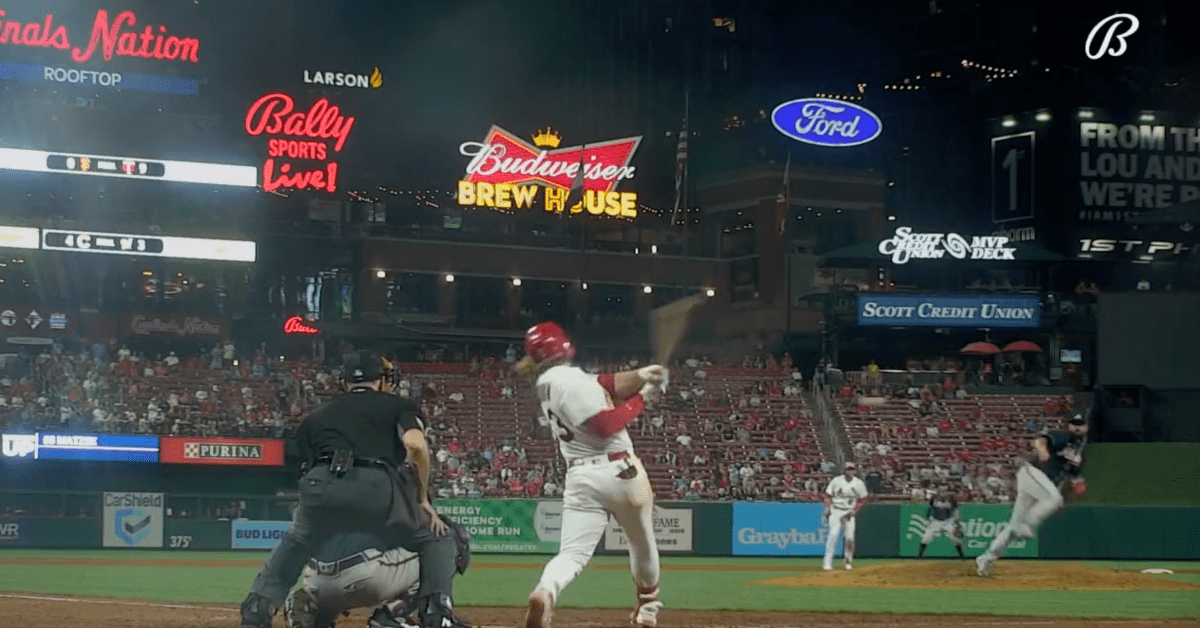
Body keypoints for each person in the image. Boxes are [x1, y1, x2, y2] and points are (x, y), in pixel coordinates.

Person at [239, 351, 470, 628]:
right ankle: (434, 614)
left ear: (344, 382)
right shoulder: (398, 405)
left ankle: (258, 607)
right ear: (383, 380)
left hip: (319, 484)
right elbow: (416, 446)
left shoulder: (315, 418)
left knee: (297, 539)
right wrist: (422, 499)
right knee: (439, 537)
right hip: (375, 485)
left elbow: (306, 465)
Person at [516, 322, 667, 628]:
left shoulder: (548, 382)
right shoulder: (570, 378)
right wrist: (643, 398)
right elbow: (605, 424)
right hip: (621, 470)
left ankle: (545, 592)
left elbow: (602, 384)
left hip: (581, 478)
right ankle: (648, 606)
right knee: (641, 543)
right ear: (564, 347)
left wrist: (640, 376)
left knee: (571, 553)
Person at [284, 525, 472, 628]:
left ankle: (313, 607)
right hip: (362, 573)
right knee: (433, 556)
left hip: (315, 577)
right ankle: (393, 617)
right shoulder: (396, 493)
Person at [976, 413, 1088, 576]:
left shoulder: (1077, 452)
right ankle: (1027, 524)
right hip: (1032, 473)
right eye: (1074, 423)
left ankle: (985, 559)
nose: (1077, 427)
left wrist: (1078, 484)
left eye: (1080, 423)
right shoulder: (1062, 436)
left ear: (1086, 427)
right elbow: (1040, 440)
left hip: (1040, 485)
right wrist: (1042, 450)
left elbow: (1075, 476)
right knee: (1055, 499)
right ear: (1068, 425)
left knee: (1012, 528)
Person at [822, 462, 869, 571]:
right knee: (833, 534)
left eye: (852, 469)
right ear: (845, 470)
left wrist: (853, 511)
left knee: (850, 538)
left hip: (849, 511)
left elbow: (863, 499)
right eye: (848, 469)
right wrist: (828, 508)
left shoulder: (858, 483)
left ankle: (848, 561)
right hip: (836, 510)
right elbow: (828, 496)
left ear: (855, 471)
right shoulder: (836, 480)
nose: (850, 471)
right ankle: (827, 562)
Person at [918, 485, 964, 559]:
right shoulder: (934, 499)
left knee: (956, 538)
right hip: (935, 521)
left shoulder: (951, 499)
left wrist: (956, 521)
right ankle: (919, 556)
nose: (943, 493)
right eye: (941, 491)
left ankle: (962, 556)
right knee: (926, 538)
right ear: (938, 491)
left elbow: (956, 510)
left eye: (945, 491)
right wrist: (927, 519)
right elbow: (929, 508)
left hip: (948, 521)